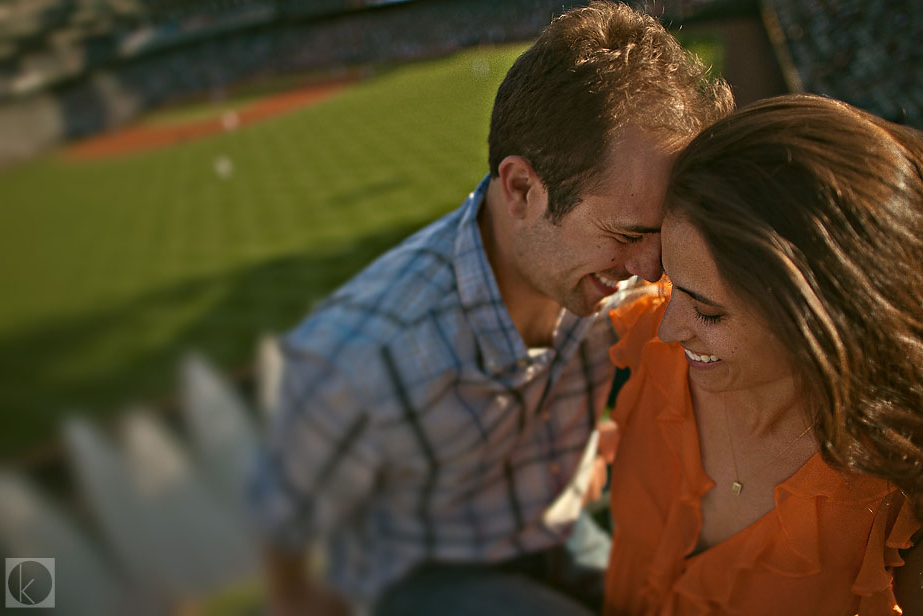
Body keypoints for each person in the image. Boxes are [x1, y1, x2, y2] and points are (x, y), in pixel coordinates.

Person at [247, 2, 732, 614]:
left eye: (661, 235)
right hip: (423, 577)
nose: (651, 269)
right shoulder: (365, 352)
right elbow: (285, 513)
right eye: (628, 233)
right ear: (522, 189)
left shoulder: (611, 271)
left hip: (557, 529)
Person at [601, 94, 923, 615]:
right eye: (670, 282)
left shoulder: (897, 481)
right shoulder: (639, 346)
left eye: (709, 313)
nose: (668, 327)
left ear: (823, 318)